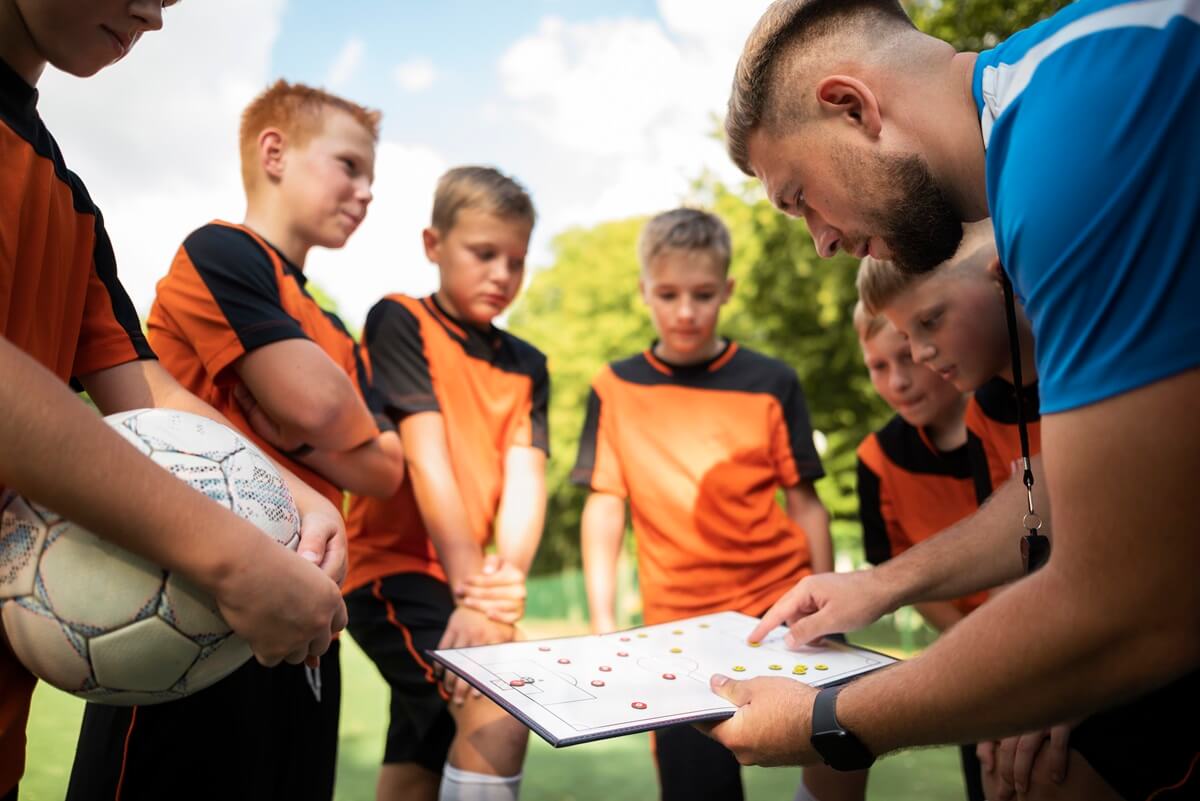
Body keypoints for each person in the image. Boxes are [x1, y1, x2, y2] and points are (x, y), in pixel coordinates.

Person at [704, 2, 1200, 800]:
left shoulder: (1064, 151)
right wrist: (882, 583)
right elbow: (1072, 493)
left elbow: (1127, 605)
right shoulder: (1054, 100)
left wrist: (825, 719)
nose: (820, 242)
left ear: (852, 107)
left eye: (800, 197)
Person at [0, 3, 347, 799]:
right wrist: (232, 556)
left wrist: (294, 496)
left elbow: (142, 386)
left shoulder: (66, 197)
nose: (154, 15)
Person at [65, 80, 405, 801]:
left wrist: (302, 437)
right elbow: (318, 403)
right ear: (274, 152)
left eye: (371, 176)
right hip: (188, 602)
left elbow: (385, 470)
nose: (366, 191)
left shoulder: (334, 326)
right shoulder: (222, 252)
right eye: (349, 165)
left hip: (312, 611)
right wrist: (325, 429)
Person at [571, 208, 862, 801]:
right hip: (674, 633)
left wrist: (823, 614)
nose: (685, 311)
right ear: (643, 291)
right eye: (668, 294)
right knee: (697, 789)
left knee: (838, 763)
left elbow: (807, 505)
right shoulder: (614, 387)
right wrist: (604, 626)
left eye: (702, 294)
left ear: (726, 290)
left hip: (777, 617)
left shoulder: (773, 381)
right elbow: (605, 506)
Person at [344, 166, 548, 801]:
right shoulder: (400, 320)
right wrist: (472, 594)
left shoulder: (528, 365)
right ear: (434, 245)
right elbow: (425, 459)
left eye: (516, 260)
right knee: (499, 708)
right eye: (483, 253)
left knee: (421, 758)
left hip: (467, 586)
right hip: (391, 572)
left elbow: (526, 481)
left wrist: (501, 586)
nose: (502, 274)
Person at [850, 295, 985, 799]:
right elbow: (901, 573)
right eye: (878, 367)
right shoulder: (876, 459)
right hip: (971, 657)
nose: (897, 382)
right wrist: (977, 642)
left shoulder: (1014, 420)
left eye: (905, 357)